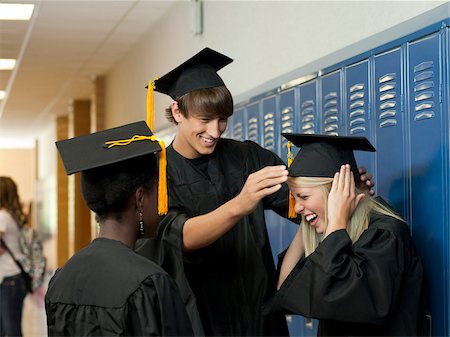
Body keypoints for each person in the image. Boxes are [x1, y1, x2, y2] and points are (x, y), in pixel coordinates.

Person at [137, 48, 375, 336]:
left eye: (222, 119)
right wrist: (241, 203)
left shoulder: (247, 157)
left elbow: (300, 202)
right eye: (205, 120)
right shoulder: (160, 174)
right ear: (178, 111)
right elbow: (178, 237)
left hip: (258, 312)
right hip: (202, 316)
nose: (215, 131)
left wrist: (339, 188)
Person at [263, 133, 425, 336]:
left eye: (303, 196)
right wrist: (310, 221)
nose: (297, 208)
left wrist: (337, 219)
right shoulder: (337, 235)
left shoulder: (384, 235)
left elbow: (337, 297)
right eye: (295, 198)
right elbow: (283, 286)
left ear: (335, 193)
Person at [45, 121, 194, 336]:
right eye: (157, 193)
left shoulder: (62, 279)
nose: (162, 207)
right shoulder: (150, 283)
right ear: (140, 198)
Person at [0, 176, 29, 337]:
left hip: (9, 280)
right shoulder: (11, 215)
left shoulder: (3, 216)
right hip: (14, 279)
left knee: (9, 331)